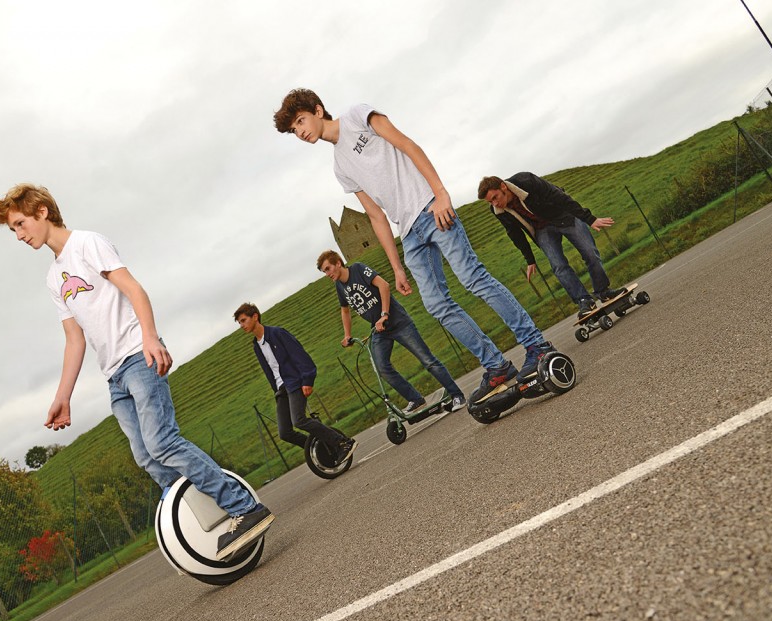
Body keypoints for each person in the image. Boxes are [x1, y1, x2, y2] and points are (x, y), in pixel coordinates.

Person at [0, 183, 272, 561]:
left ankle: (243, 507)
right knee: (147, 457)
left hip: (138, 357)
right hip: (114, 376)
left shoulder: (88, 243)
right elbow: (74, 340)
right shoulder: (53, 278)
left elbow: (134, 290)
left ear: (41, 211)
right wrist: (63, 396)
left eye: (21, 224)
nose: (20, 235)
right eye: (13, 231)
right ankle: (210, 524)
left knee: (162, 443)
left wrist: (150, 338)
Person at [274, 89, 558, 404]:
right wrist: (396, 266)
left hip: (430, 208)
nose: (299, 131)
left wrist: (441, 193)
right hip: (408, 233)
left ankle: (536, 345)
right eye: (293, 130)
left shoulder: (358, 115)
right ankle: (496, 365)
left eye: (300, 121)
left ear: (318, 110)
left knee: (473, 278)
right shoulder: (340, 167)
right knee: (436, 305)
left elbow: (407, 145)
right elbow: (375, 216)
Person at [317, 250, 465, 413]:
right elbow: (345, 310)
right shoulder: (340, 286)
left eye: (327, 268)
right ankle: (415, 399)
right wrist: (347, 335)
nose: (327, 274)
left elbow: (384, 285)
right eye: (324, 271)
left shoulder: (358, 269)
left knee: (427, 360)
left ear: (338, 263)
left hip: (398, 322)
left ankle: (457, 395)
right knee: (382, 368)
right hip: (379, 330)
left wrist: (384, 314)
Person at [477, 174, 626, 317]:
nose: (495, 203)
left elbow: (560, 197)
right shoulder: (498, 211)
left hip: (564, 215)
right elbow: (514, 233)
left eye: (495, 197)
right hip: (542, 228)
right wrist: (530, 260)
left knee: (590, 253)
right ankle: (584, 301)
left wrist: (589, 219)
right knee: (558, 266)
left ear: (503, 186)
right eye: (490, 202)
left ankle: (603, 291)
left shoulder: (526, 181)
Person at [234, 302, 356, 463]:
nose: (241, 325)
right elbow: (270, 370)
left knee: (299, 420)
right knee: (285, 432)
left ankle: (342, 442)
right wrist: (276, 390)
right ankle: (319, 448)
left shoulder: (277, 333)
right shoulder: (256, 346)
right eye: (239, 323)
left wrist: (307, 379)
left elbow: (299, 355)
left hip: (294, 382)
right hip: (281, 389)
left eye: (243, 320)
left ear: (255, 317)